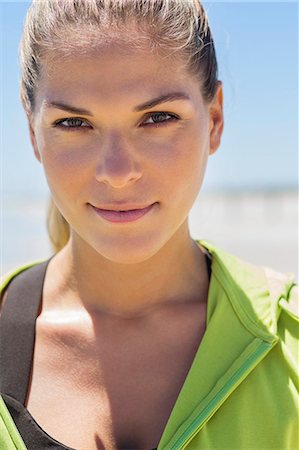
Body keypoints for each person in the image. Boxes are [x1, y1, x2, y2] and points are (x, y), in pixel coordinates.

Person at [0, 1, 298, 449]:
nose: (117, 172)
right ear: (33, 134)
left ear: (214, 119)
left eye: (158, 118)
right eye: (74, 123)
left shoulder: (289, 342)